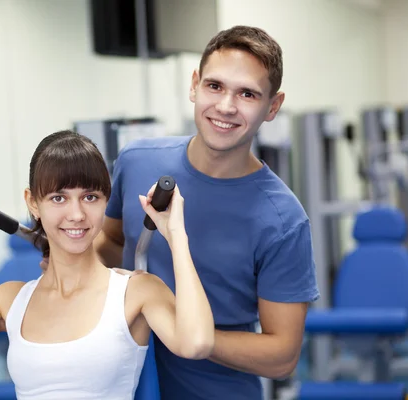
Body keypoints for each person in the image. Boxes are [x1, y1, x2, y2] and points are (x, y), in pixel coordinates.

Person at [0, 130, 215, 400]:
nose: (76, 214)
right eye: (58, 198)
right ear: (33, 204)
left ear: (104, 202)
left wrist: (176, 236)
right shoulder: (9, 301)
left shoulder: (136, 291)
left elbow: (197, 343)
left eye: (90, 197)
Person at [93, 25, 320, 400]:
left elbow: (282, 355)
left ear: (273, 107)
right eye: (215, 86)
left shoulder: (283, 220)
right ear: (194, 85)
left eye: (247, 93)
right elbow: (112, 240)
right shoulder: (136, 161)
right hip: (118, 383)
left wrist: (186, 333)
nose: (226, 106)